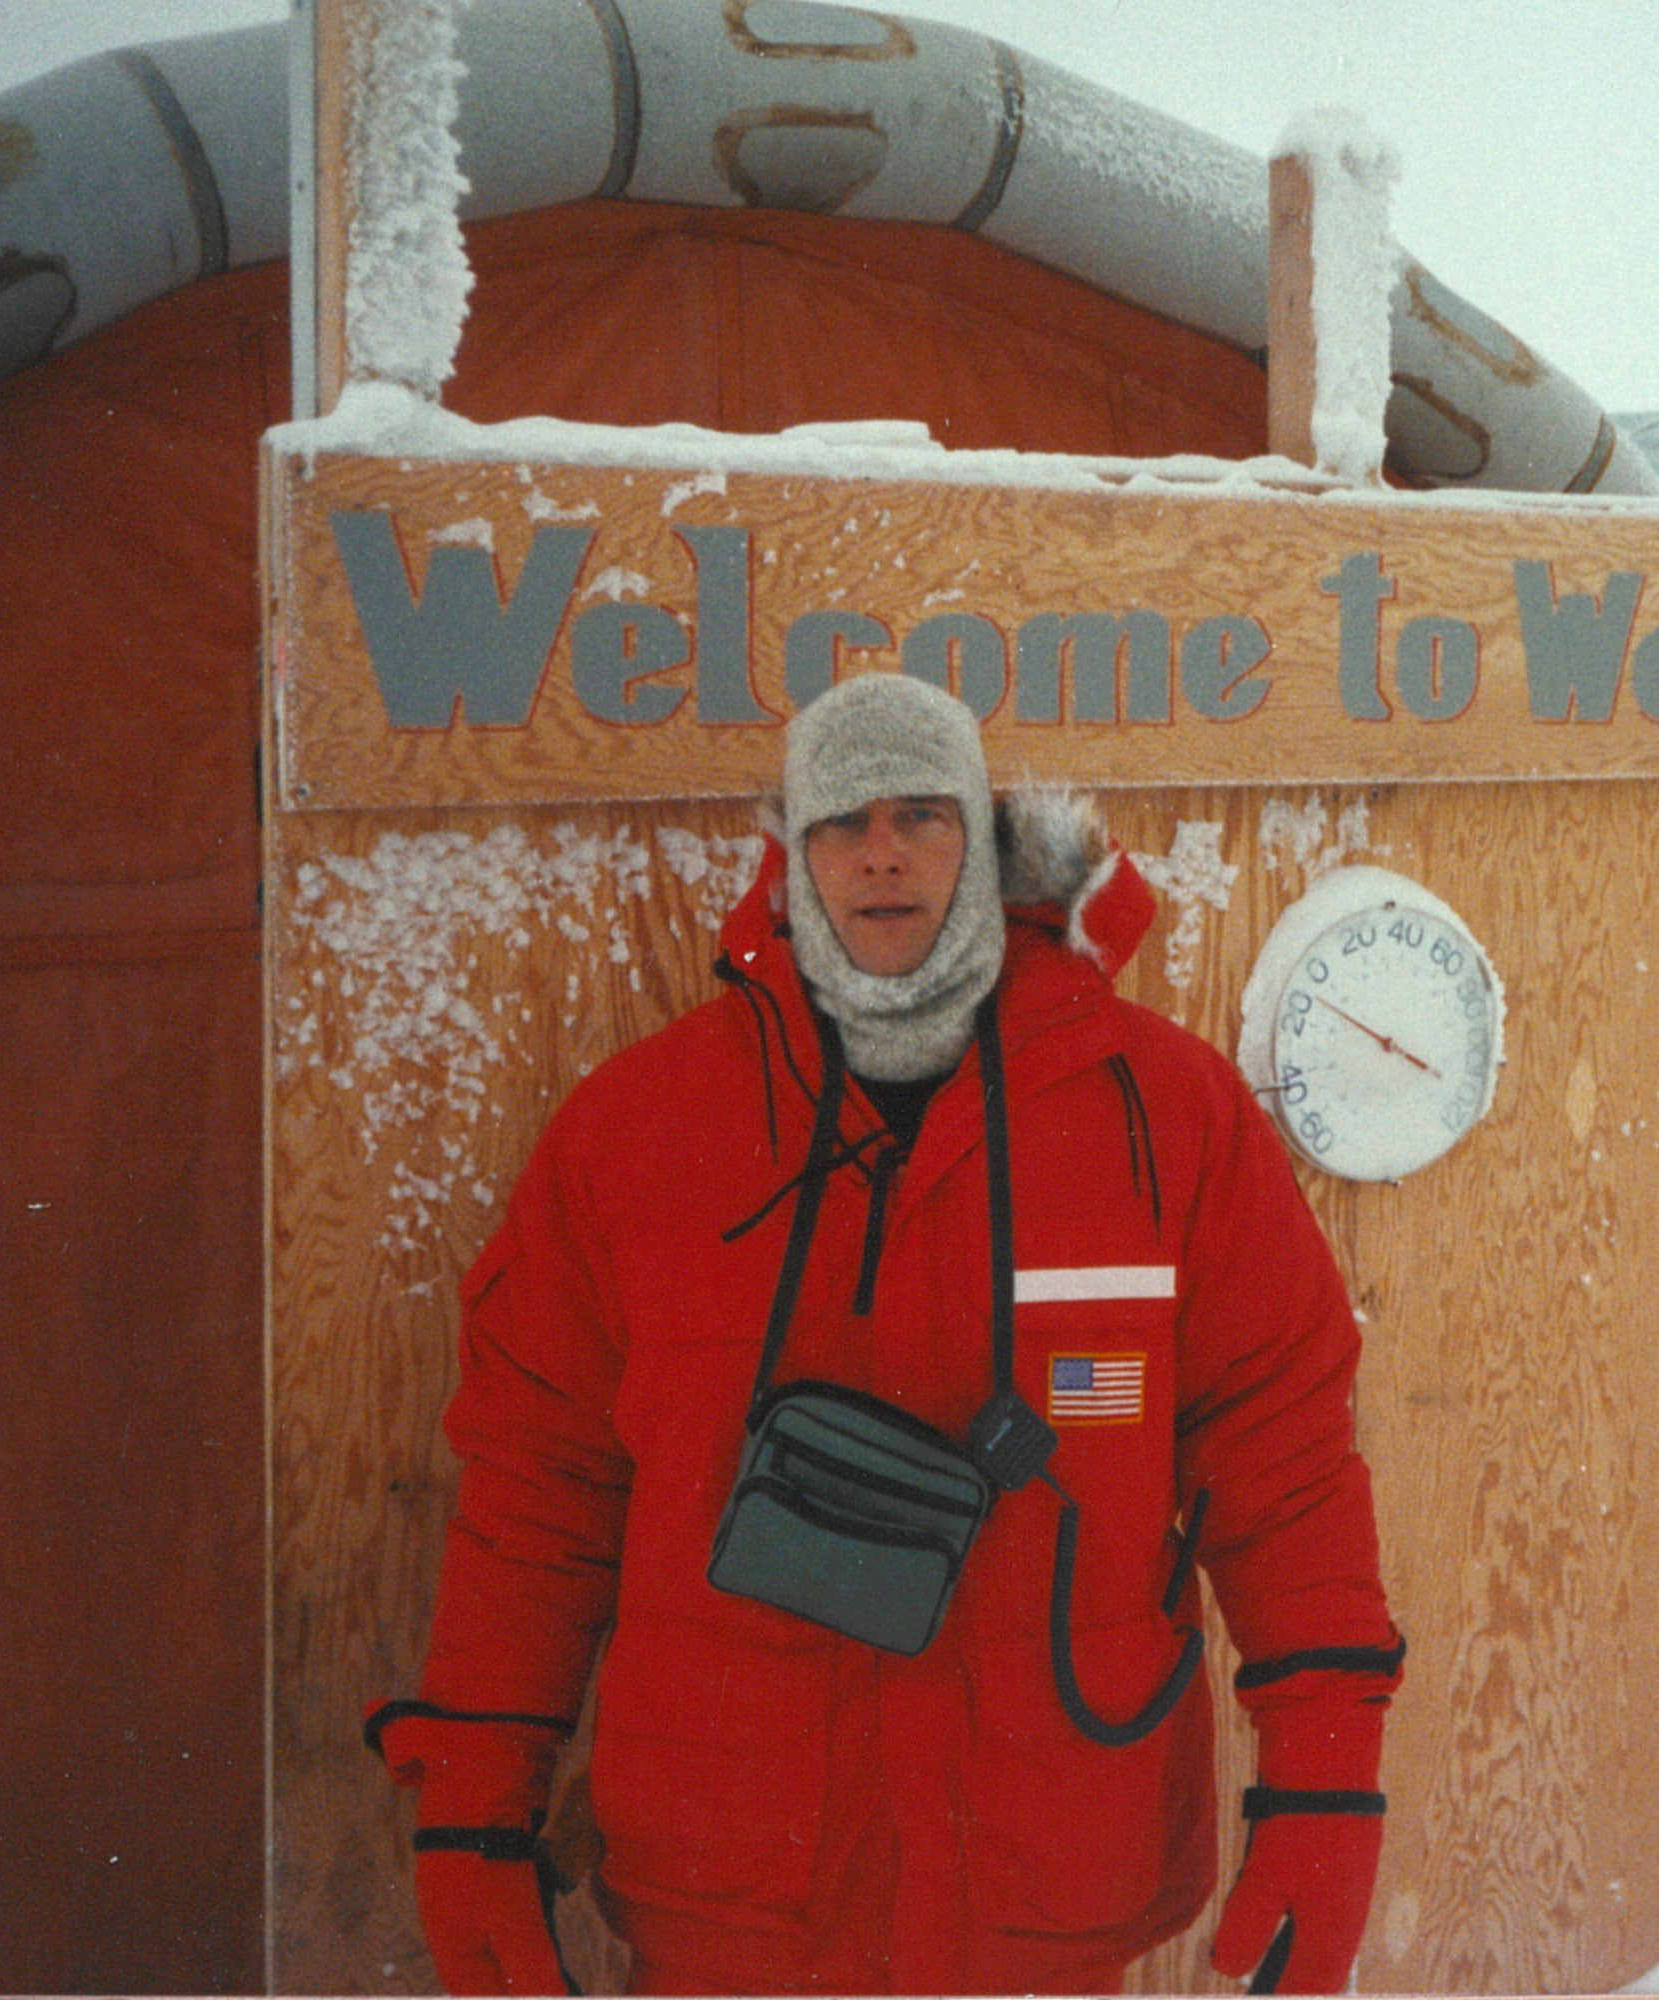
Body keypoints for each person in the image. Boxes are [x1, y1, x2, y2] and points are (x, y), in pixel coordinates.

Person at [367, 674, 1404, 1995]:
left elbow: (1287, 1471)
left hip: (1045, 1895)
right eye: (839, 819)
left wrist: (1326, 1797)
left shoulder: (1168, 1117)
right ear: (788, 856)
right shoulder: (639, 1134)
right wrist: (471, 1815)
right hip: (734, 1905)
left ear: (986, 839)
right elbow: (537, 1498)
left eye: (923, 811)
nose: (882, 851)